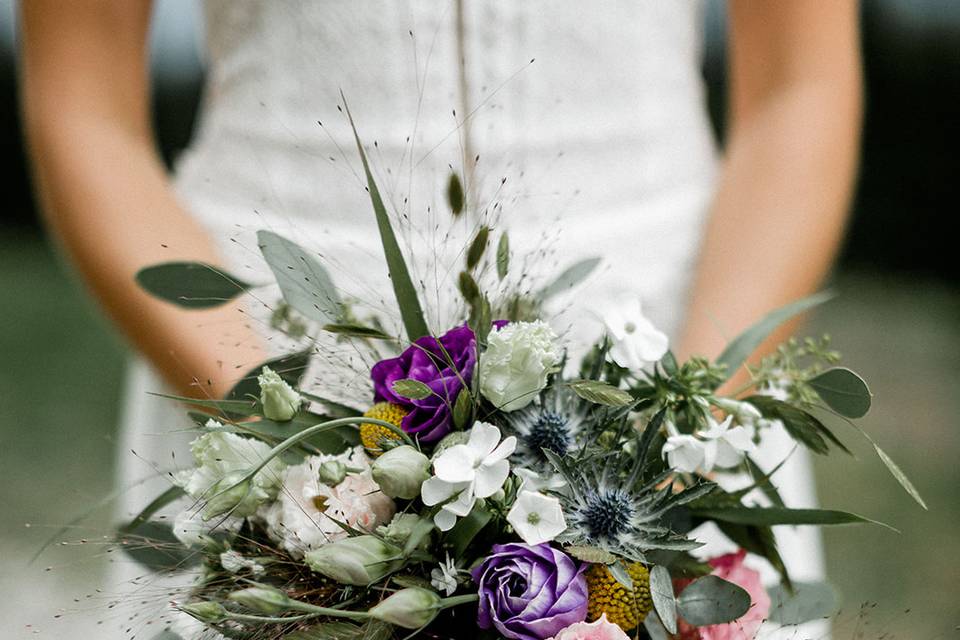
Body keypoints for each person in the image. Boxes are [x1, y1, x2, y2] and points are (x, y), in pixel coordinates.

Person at [20, 1, 861, 637]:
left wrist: (681, 436)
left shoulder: (680, 429)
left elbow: (801, 85)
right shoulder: (273, 447)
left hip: (674, 368)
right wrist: (277, 465)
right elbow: (84, 106)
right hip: (259, 374)